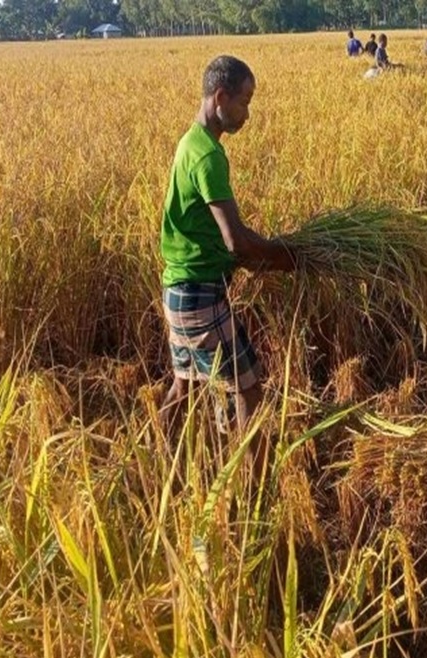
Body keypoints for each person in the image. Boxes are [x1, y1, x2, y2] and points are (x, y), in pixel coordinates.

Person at [159, 56, 295, 451]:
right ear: (220, 97)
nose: (247, 112)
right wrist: (286, 256)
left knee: (184, 387)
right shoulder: (207, 157)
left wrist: (262, 255)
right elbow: (236, 240)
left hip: (180, 293)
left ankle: (160, 462)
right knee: (248, 391)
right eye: (244, 101)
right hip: (200, 297)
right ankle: (249, 486)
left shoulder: (192, 142)